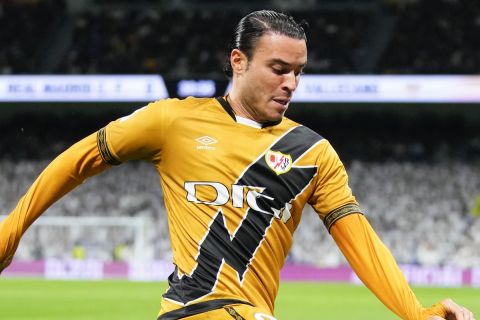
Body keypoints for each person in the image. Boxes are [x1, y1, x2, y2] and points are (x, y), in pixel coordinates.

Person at [0, 9, 475, 320]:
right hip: (193, 309)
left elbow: (360, 241)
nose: (291, 82)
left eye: (299, 71)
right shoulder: (172, 120)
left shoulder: (313, 152)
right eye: (278, 68)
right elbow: (77, 160)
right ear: (238, 62)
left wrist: (416, 313)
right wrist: (14, 228)